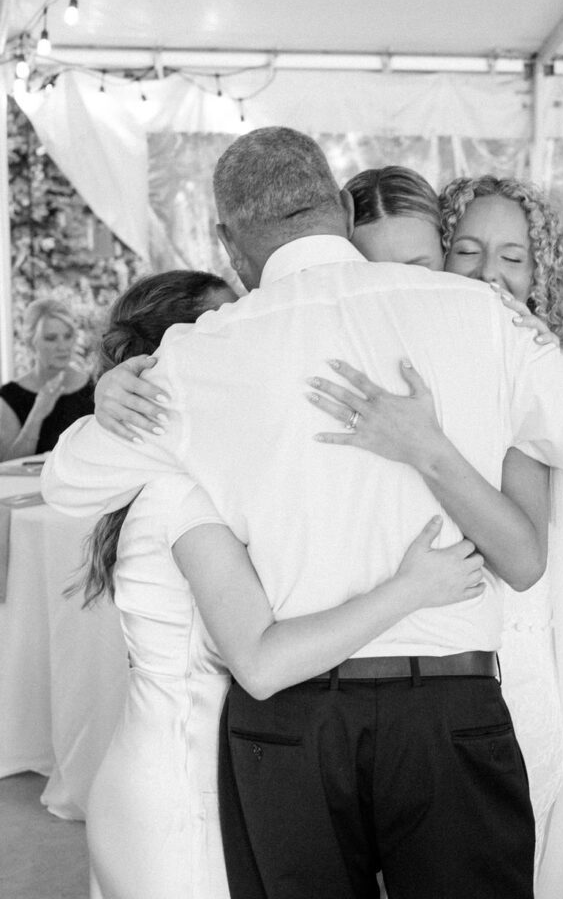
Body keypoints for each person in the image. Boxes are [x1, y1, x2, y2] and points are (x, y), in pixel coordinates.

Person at [42, 128, 563, 899]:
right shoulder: (474, 316)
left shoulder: (200, 355)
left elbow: (67, 486)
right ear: (336, 207)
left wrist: (114, 391)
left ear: (229, 242)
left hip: (290, 728)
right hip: (448, 710)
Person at [83, 268, 488, 899]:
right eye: (226, 324)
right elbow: (263, 664)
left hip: (165, 763)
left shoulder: (167, 469)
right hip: (187, 790)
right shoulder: (184, 494)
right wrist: (412, 588)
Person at [306, 170, 563, 899]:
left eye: (514, 257)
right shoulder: (326, 353)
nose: (490, 274)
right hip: (353, 687)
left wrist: (538, 356)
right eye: (467, 251)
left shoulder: (521, 367)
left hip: (496, 670)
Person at [0, 297, 94, 461]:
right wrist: (37, 414)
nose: (63, 346)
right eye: (51, 338)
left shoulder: (94, 387)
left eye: (68, 336)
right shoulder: (9, 397)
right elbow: (7, 466)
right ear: (30, 343)